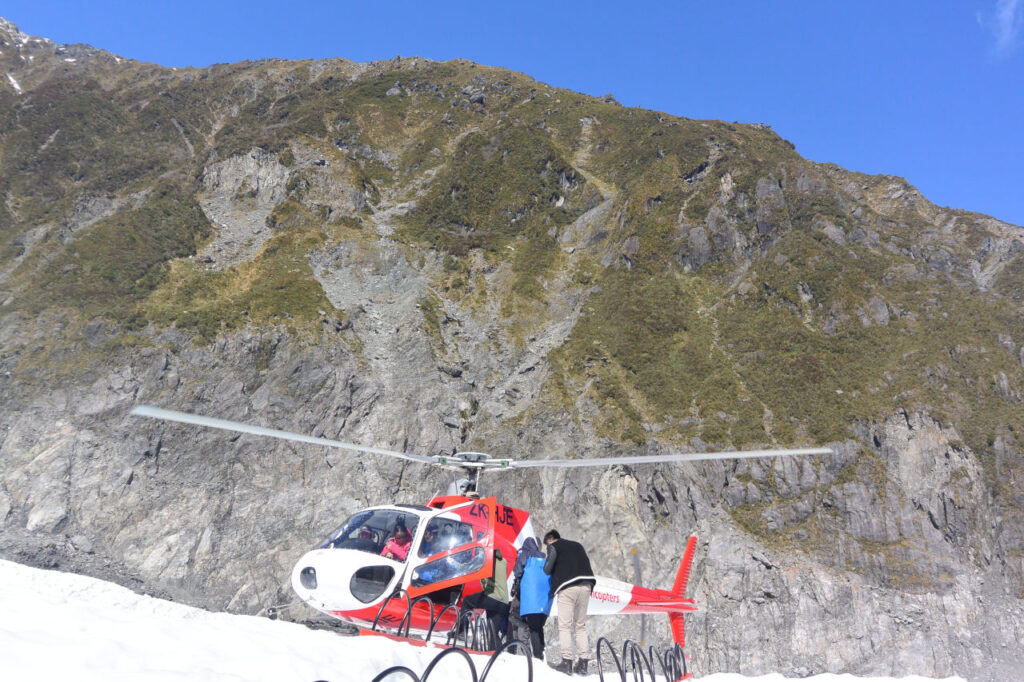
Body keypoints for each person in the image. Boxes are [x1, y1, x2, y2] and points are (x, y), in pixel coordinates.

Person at [543, 529, 595, 675]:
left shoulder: (555, 546)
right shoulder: (577, 545)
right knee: (580, 625)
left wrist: (548, 558)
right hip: (586, 586)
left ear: (550, 540)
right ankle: (583, 663)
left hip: (568, 588)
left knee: (565, 625)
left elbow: (547, 569)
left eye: (547, 545)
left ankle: (567, 662)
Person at [512, 537, 552, 660]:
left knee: (533, 627)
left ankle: (537, 657)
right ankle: (541, 650)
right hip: (545, 597)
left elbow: (517, 572)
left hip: (531, 596)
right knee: (539, 626)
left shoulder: (525, 555)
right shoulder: (545, 558)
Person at [460, 548, 510, 636]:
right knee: (493, 635)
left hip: (491, 596)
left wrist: (452, 562)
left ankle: (461, 632)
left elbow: (467, 567)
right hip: (504, 601)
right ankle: (497, 649)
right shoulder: (504, 561)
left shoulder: (484, 558)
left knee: (467, 601)